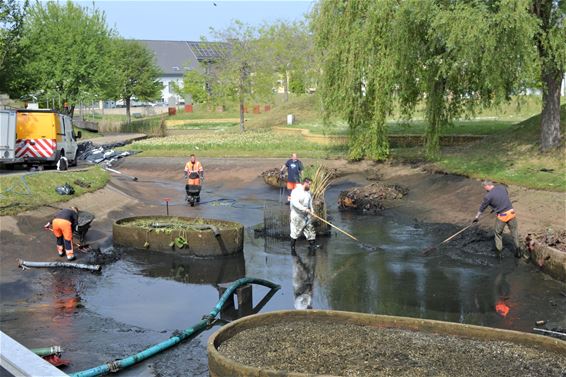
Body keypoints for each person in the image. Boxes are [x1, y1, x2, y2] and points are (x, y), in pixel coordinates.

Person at [473, 180, 521, 259]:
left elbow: (482, 207)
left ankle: (499, 253)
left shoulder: (488, 196)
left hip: (502, 216)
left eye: (484, 188)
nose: (485, 189)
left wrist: (476, 217)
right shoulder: (502, 188)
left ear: (487, 186)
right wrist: (496, 207)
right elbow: (504, 197)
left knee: (498, 233)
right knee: (514, 231)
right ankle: (518, 250)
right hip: (511, 213)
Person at [290, 177, 316, 252]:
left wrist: (312, 210)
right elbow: (295, 203)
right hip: (297, 215)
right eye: (309, 185)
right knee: (295, 232)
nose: (310, 186)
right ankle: (292, 248)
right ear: (305, 183)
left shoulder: (308, 192)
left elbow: (310, 201)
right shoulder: (296, 191)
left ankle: (312, 245)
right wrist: (304, 209)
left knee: (310, 230)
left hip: (306, 215)